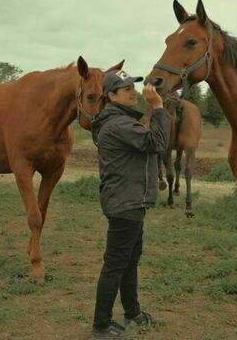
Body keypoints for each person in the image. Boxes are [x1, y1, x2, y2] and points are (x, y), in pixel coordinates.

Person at [90, 70, 171, 339]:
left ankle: (132, 311)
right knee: (116, 263)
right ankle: (101, 326)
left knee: (129, 260)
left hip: (131, 201)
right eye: (125, 89)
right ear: (111, 96)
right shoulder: (118, 125)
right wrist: (158, 107)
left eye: (132, 86)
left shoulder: (120, 121)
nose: (132, 91)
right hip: (126, 202)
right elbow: (156, 143)